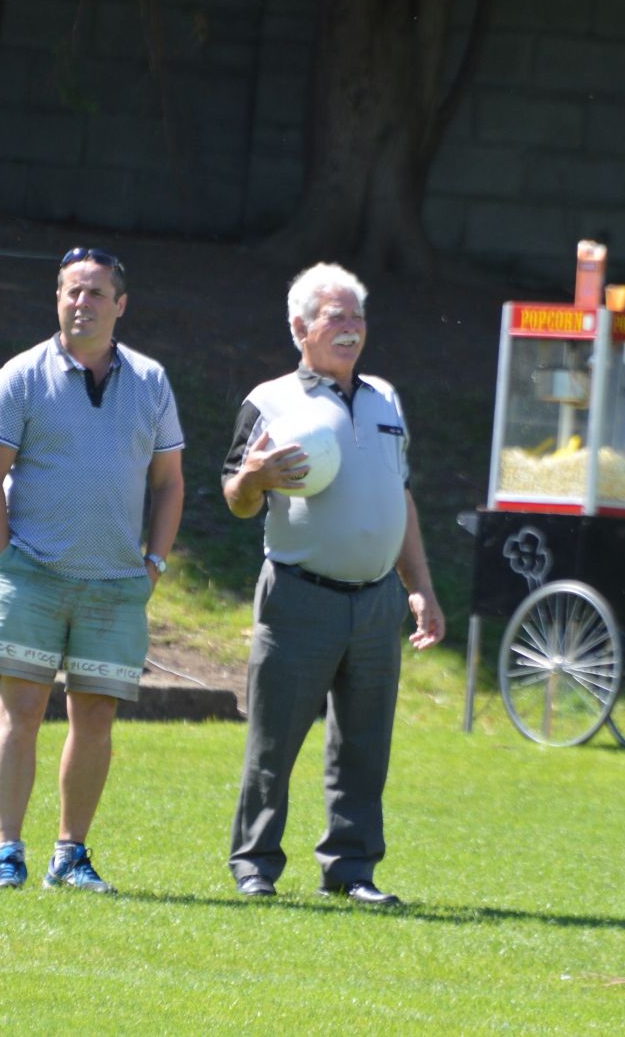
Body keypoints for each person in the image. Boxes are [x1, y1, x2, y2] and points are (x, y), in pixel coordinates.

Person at [221, 262, 444, 904]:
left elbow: (398, 496)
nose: (350, 329)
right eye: (334, 316)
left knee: (365, 746)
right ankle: (254, 865)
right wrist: (254, 478)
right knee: (275, 741)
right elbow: (235, 499)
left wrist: (420, 585)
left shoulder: (385, 399)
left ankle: (351, 871)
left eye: (358, 316)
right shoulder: (269, 402)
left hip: (376, 602)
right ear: (300, 327)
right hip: (300, 595)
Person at [0, 246, 185, 892]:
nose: (81, 302)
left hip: (117, 586)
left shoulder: (151, 381)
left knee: (94, 720)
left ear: (121, 305)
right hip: (30, 574)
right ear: (56, 298)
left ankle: (71, 854)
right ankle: (8, 852)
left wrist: (153, 563)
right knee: (21, 713)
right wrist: (2, 559)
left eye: (96, 293)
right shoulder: (20, 376)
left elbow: (170, 482)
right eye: (71, 291)